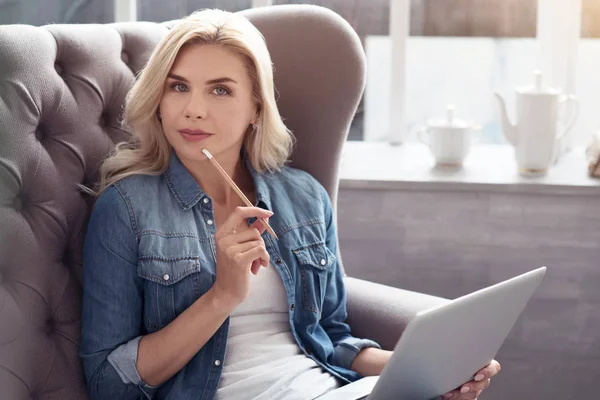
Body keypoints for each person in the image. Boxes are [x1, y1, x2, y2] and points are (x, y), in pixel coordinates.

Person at [78, 8, 500, 400]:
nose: (194, 110)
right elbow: (108, 383)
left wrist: (431, 372)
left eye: (220, 90)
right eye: (179, 87)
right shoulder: (127, 208)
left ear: (255, 108)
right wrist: (222, 295)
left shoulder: (303, 197)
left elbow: (330, 338)